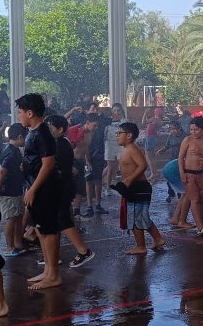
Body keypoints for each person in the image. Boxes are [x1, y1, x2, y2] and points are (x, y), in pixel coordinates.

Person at [17, 94, 62, 290]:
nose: (19, 116)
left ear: (30, 113)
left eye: (20, 112)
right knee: (41, 230)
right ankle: (48, 271)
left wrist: (33, 188)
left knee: (49, 230)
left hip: (45, 190)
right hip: (36, 187)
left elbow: (48, 164)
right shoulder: (32, 132)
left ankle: (54, 274)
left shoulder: (43, 133)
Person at [44, 115, 96, 268]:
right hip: (63, 185)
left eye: (50, 127)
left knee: (63, 220)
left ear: (60, 129)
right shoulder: (60, 142)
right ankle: (52, 255)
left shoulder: (60, 144)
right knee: (60, 220)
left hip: (62, 186)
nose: (48, 130)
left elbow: (54, 166)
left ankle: (83, 250)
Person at [115, 121, 168, 254]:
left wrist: (129, 179)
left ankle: (141, 246)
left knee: (135, 218)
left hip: (138, 187)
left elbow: (143, 165)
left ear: (129, 135)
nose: (117, 136)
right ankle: (158, 239)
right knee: (142, 217)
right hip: (135, 188)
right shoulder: (127, 149)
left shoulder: (132, 149)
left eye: (119, 133)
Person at [173, 117, 203, 230]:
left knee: (201, 198)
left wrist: (201, 153)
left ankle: (200, 222)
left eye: (196, 130)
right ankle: (200, 227)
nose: (193, 132)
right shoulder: (187, 140)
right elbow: (180, 157)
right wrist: (181, 172)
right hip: (189, 173)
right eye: (191, 130)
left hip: (201, 173)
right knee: (194, 199)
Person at [0, 124, 26, 257]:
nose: (25, 141)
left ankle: (18, 243)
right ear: (20, 137)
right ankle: (10, 246)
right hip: (8, 191)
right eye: (24, 138)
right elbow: (2, 172)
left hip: (16, 189)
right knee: (11, 218)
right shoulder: (10, 152)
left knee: (18, 216)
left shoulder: (12, 150)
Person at [102, 103, 126, 186]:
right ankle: (107, 187)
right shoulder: (107, 122)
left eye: (118, 110)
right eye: (114, 110)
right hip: (110, 145)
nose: (116, 112)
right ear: (112, 111)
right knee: (110, 168)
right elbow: (104, 135)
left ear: (121, 111)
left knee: (122, 166)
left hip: (120, 145)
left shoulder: (124, 121)